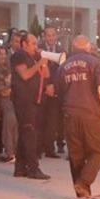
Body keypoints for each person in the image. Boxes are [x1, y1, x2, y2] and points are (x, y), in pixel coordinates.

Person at [56, 35, 100, 197]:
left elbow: (59, 91)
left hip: (70, 114)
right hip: (91, 114)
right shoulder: (96, 64)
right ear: (88, 47)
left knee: (76, 155)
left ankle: (81, 194)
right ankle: (84, 182)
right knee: (98, 152)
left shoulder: (63, 66)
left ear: (74, 47)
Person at [10, 33, 50, 180]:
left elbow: (45, 75)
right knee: (30, 134)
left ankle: (20, 168)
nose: (36, 46)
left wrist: (42, 62)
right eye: (33, 43)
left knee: (25, 133)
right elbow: (25, 75)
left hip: (34, 100)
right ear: (24, 44)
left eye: (36, 43)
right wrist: (39, 64)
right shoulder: (19, 55)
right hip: (23, 100)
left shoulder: (34, 57)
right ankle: (33, 168)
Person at [37, 26, 65, 158]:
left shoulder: (62, 51)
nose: (51, 38)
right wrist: (47, 86)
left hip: (56, 90)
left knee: (53, 121)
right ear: (44, 37)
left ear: (56, 36)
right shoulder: (38, 50)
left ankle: (50, 149)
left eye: (53, 35)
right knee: (40, 119)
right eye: (48, 35)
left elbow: (63, 71)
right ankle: (39, 147)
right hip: (42, 89)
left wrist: (54, 86)